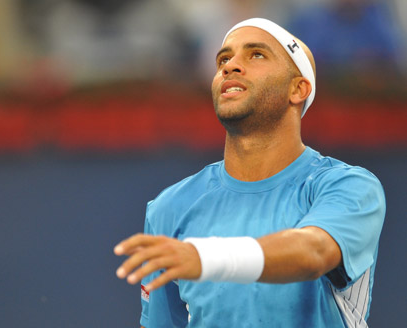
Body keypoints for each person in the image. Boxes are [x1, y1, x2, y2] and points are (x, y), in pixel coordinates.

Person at [114, 18, 385, 328]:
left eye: (256, 54)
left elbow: (314, 252)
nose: (230, 66)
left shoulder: (349, 186)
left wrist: (207, 258)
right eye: (223, 59)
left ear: (298, 89)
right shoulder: (169, 207)